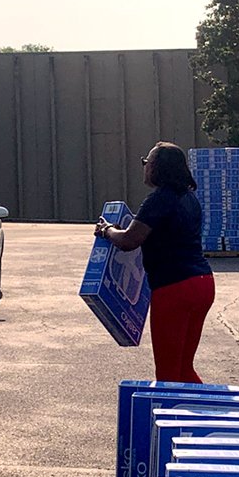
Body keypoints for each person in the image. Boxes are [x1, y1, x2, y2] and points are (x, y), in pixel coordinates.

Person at [95, 142, 215, 383]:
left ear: (157, 168)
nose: (144, 168)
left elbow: (130, 239)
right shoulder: (188, 198)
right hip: (202, 283)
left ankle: (176, 417)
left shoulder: (159, 200)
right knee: (183, 367)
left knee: (169, 372)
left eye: (146, 163)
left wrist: (107, 231)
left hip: (174, 288)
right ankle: (207, 413)